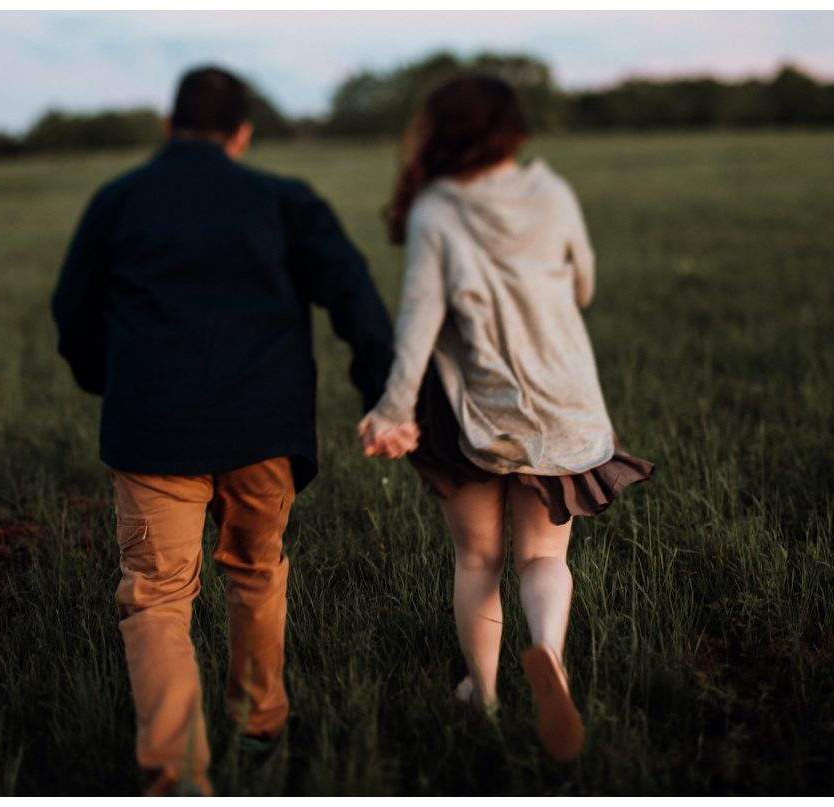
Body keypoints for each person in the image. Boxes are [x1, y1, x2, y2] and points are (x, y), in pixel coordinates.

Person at [51, 66, 394, 796]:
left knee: (156, 596)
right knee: (255, 569)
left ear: (170, 126)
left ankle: (176, 778)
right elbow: (354, 293)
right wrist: (382, 390)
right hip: (263, 429)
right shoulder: (283, 199)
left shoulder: (118, 200)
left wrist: (106, 379)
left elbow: (71, 310)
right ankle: (261, 724)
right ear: (241, 134)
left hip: (152, 430)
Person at [358, 74, 654, 763]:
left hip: (476, 417)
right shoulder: (550, 192)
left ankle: (485, 696)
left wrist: (393, 410)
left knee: (479, 558)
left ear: (441, 134)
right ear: (512, 132)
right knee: (543, 556)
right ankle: (548, 650)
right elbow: (584, 283)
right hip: (564, 408)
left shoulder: (437, 210)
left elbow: (418, 325)